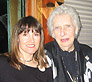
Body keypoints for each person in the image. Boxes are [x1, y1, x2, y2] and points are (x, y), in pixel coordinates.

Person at [44, 5, 92, 82]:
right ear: (53, 32)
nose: (62, 33)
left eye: (68, 26)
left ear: (76, 28)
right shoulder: (44, 56)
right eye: (57, 27)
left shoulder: (88, 53)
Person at [0, 16, 53, 82]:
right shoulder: (3, 63)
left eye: (36, 35)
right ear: (17, 38)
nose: (31, 40)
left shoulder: (46, 70)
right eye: (25, 34)